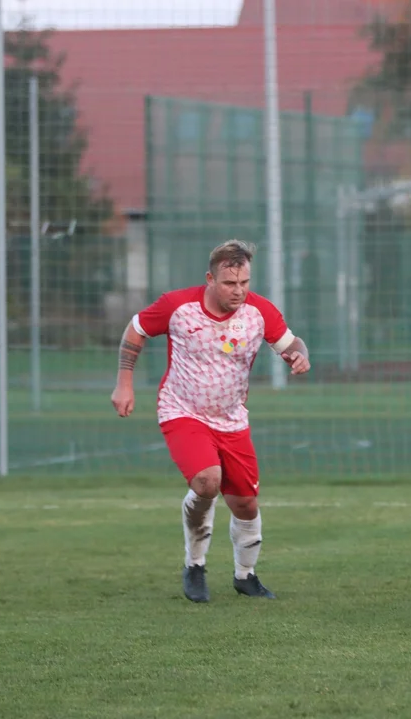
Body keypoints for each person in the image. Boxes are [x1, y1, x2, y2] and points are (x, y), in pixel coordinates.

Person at [111, 240, 311, 603]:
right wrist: (124, 383)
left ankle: (245, 576)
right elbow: (136, 328)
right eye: (229, 283)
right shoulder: (177, 306)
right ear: (210, 278)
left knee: (245, 504)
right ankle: (195, 565)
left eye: (244, 283)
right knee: (207, 481)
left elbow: (291, 342)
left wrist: (299, 356)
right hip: (182, 410)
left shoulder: (260, 312)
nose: (238, 291)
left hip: (232, 419)